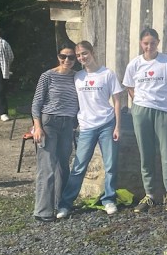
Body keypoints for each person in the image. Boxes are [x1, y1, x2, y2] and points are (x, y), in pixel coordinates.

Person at [57, 41, 126, 218]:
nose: (82, 58)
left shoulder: (107, 74)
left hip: (107, 124)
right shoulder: (77, 76)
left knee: (110, 165)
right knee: (79, 166)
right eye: (79, 55)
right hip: (86, 126)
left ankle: (109, 199)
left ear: (92, 52)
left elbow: (117, 101)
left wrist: (118, 126)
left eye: (85, 53)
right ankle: (65, 204)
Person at [123, 27, 167, 214]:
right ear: (141, 44)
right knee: (146, 153)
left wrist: (165, 103)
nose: (149, 46)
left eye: (153, 43)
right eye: (146, 43)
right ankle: (149, 195)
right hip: (141, 111)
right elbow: (130, 87)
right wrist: (141, 103)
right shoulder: (134, 64)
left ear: (158, 43)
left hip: (164, 111)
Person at [31, 43, 80, 223]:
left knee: (63, 166)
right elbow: (36, 103)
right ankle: (43, 210)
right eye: (63, 56)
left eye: (71, 57)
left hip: (68, 124)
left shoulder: (78, 77)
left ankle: (62, 204)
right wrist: (37, 127)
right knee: (47, 166)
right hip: (49, 123)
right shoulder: (48, 76)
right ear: (58, 57)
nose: (67, 60)